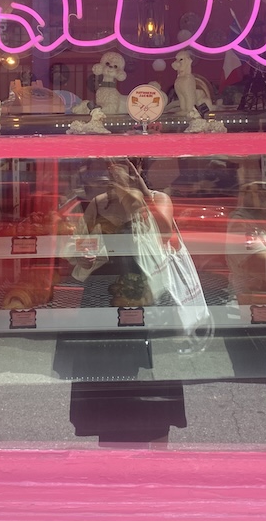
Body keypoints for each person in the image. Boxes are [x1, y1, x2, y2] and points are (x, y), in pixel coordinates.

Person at [63, 159, 187, 447]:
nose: (111, 172)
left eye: (120, 165)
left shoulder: (157, 199)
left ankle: (157, 459)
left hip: (150, 293)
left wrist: (132, 192)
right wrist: (82, 256)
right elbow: (79, 241)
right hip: (104, 294)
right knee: (107, 377)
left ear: (136, 168)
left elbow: (164, 231)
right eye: (109, 166)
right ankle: (112, 456)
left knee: (153, 379)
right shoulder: (99, 203)